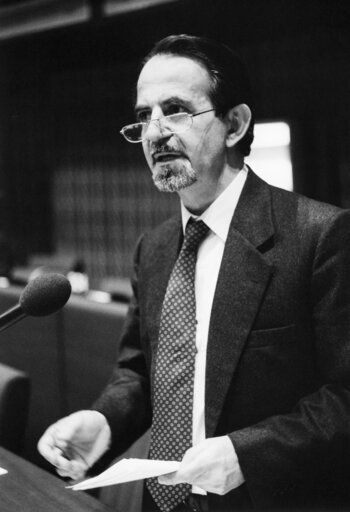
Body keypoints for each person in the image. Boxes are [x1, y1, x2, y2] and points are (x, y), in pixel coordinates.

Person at [38, 34, 350, 512]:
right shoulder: (157, 246)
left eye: (177, 109)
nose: (155, 132)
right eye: (144, 116)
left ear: (234, 124)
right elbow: (139, 371)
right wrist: (103, 420)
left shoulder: (320, 235)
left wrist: (247, 453)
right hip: (163, 499)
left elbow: (344, 395)